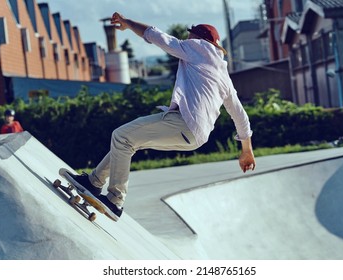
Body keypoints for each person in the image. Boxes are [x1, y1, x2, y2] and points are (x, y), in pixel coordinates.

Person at [70, 12, 256, 220]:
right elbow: (239, 113)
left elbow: (157, 36)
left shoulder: (198, 48)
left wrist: (128, 23)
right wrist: (246, 150)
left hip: (184, 123)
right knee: (130, 142)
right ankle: (94, 181)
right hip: (196, 137)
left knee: (121, 137)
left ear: (198, 38)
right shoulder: (222, 73)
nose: (186, 41)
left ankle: (115, 200)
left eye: (190, 37)